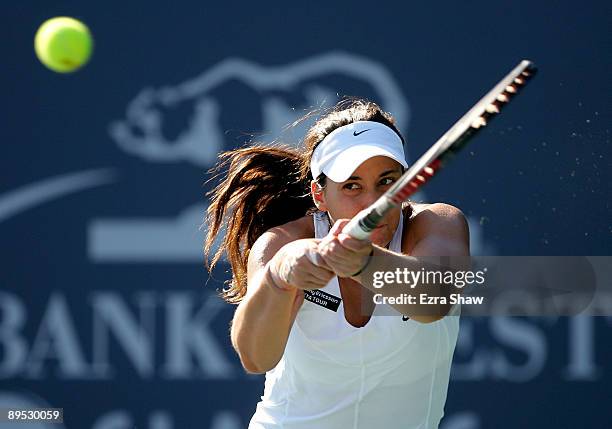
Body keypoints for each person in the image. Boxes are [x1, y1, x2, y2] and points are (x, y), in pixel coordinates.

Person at [204, 98, 470, 428]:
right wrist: (279, 276)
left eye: (387, 181)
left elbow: (434, 301)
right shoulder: (281, 243)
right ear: (319, 195)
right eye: (352, 186)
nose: (373, 202)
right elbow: (256, 357)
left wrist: (363, 262)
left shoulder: (438, 223)